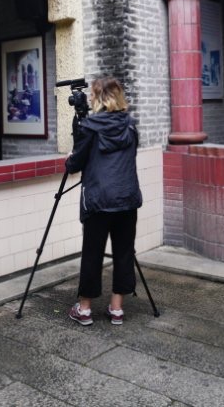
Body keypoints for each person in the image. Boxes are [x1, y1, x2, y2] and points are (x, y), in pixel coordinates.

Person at [65, 76, 142, 326]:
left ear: (98, 98)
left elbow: (75, 164)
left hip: (99, 200)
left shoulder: (89, 127)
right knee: (124, 253)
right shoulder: (131, 126)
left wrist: (71, 157)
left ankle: (85, 309)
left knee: (92, 253)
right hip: (127, 199)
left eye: (92, 94)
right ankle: (116, 309)